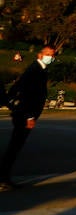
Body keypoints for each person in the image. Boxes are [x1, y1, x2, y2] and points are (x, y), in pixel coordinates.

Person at [0, 44, 55, 190]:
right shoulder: (35, 70)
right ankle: (3, 178)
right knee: (14, 146)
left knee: (15, 146)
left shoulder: (39, 69)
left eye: (53, 55)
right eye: (48, 54)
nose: (51, 57)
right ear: (40, 55)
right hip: (25, 114)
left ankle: (4, 177)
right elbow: (27, 94)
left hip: (23, 112)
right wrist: (29, 116)